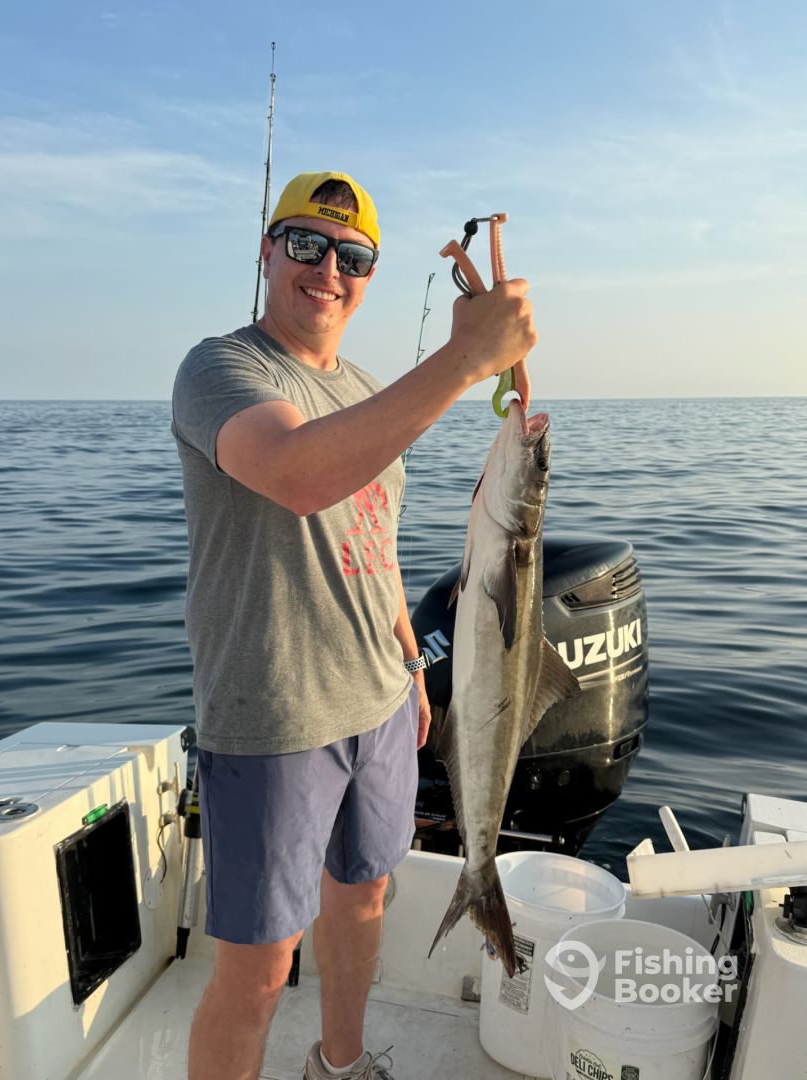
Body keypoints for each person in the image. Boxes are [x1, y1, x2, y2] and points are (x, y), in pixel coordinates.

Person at [171, 170, 536, 1080]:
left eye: (353, 256)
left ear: (369, 276)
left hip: (380, 706)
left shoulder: (369, 390)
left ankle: (340, 1063)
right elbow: (298, 474)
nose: (328, 269)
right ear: (267, 251)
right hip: (275, 716)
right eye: (306, 244)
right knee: (259, 972)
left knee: (364, 904)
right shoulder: (222, 369)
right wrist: (464, 360)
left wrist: (410, 663)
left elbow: (374, 538)